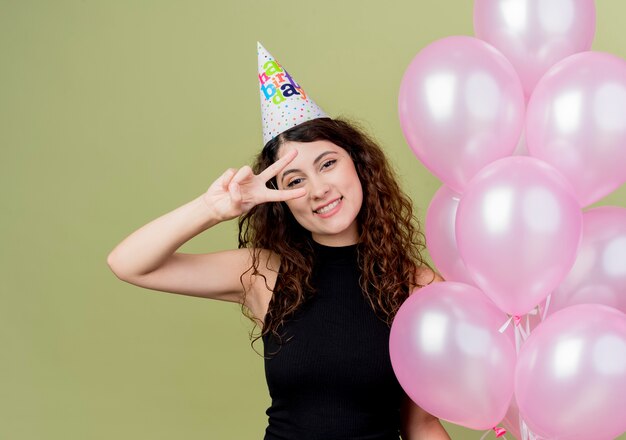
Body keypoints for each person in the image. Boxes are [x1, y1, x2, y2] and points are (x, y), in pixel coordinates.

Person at [107, 43, 450, 440]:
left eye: (327, 163)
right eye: (295, 180)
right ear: (280, 200)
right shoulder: (262, 274)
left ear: (359, 165)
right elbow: (128, 263)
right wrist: (213, 207)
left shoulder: (418, 287)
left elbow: (420, 425)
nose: (319, 189)